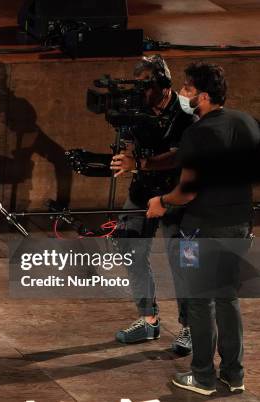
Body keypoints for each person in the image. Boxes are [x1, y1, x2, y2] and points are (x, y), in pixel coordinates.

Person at [147, 62, 259, 395]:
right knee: (227, 298)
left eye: (188, 90)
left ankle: (203, 377)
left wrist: (162, 202)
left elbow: (188, 190)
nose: (183, 94)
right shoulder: (247, 122)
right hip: (239, 224)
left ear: (205, 96)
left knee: (198, 301)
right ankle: (233, 375)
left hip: (200, 230)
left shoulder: (197, 132)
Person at [110, 55, 195, 353]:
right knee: (129, 247)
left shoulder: (186, 112)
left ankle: (189, 327)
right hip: (142, 190)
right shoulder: (137, 108)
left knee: (183, 260)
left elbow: (178, 156)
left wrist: (141, 162)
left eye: (147, 86)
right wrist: (126, 156)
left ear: (164, 84)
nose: (142, 93)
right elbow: (131, 145)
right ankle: (148, 319)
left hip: (177, 196)